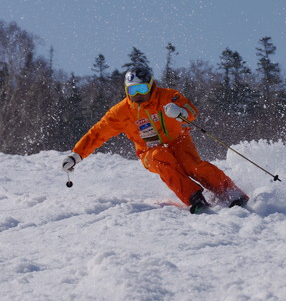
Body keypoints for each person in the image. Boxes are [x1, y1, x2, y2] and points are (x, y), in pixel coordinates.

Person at [62, 65, 248, 214]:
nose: (138, 95)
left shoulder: (167, 96)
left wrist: (181, 112)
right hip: (149, 151)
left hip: (179, 141)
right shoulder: (121, 112)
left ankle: (230, 192)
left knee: (192, 165)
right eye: (133, 90)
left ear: (151, 85)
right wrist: (76, 155)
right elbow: (97, 133)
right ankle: (194, 198)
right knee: (161, 157)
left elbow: (192, 111)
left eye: (142, 89)